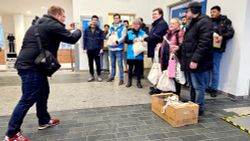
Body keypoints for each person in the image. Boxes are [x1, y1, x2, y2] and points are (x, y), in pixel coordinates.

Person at [3, 6, 82, 141]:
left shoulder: (39, 23)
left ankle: (44, 120)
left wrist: (66, 28)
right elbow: (72, 38)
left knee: (43, 92)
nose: (64, 19)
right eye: (63, 16)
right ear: (57, 15)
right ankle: (12, 134)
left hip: (32, 65)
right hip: (32, 67)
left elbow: (55, 34)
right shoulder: (52, 25)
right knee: (27, 99)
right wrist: (79, 29)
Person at [182, 2, 213, 116]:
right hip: (190, 60)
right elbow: (189, 42)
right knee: (192, 86)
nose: (186, 13)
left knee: (198, 86)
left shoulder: (205, 22)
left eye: (188, 11)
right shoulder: (193, 23)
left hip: (198, 62)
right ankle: (193, 105)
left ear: (194, 11)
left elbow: (204, 43)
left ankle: (199, 108)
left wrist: (195, 60)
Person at [208, 5, 234, 97]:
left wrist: (222, 37)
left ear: (219, 12)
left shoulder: (225, 21)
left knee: (215, 68)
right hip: (207, 48)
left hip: (218, 49)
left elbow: (231, 33)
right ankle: (207, 86)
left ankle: (214, 89)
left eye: (214, 12)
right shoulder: (209, 21)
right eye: (211, 12)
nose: (212, 14)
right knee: (207, 68)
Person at [161, 18, 184, 96]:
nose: (171, 25)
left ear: (178, 25)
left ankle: (175, 96)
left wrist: (178, 48)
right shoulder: (168, 33)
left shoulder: (179, 33)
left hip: (173, 59)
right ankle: (170, 95)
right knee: (169, 76)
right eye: (170, 23)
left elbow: (182, 45)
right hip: (166, 58)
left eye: (173, 23)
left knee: (173, 78)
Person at [125, 18, 146, 89]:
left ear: (140, 25)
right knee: (130, 69)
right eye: (134, 24)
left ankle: (138, 82)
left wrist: (144, 42)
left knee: (138, 69)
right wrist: (132, 41)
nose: (136, 25)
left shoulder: (143, 33)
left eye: (137, 24)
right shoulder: (129, 32)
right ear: (132, 25)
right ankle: (129, 81)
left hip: (139, 54)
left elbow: (146, 41)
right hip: (131, 53)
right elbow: (126, 41)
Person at [106, 13, 127, 85]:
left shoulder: (123, 27)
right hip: (111, 49)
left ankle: (121, 79)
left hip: (119, 48)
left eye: (117, 18)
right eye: (115, 18)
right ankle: (112, 76)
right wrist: (110, 33)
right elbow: (107, 36)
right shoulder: (111, 27)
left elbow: (123, 37)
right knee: (112, 64)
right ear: (113, 19)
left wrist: (117, 41)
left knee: (120, 64)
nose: (116, 19)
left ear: (119, 19)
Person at [84, 15, 104, 82]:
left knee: (98, 63)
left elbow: (102, 40)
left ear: (97, 21)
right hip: (89, 49)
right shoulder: (86, 30)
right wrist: (85, 47)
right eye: (93, 20)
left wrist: (101, 48)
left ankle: (99, 75)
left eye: (96, 20)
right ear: (91, 20)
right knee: (90, 63)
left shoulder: (100, 30)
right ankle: (91, 75)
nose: (94, 21)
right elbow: (84, 39)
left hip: (97, 49)